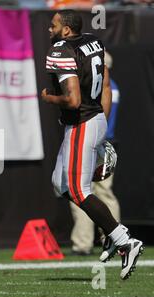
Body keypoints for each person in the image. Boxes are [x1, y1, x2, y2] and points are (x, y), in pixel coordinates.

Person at [41, 9, 143, 280]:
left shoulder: (61, 50)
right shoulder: (92, 41)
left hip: (82, 122)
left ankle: (124, 240)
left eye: (53, 26)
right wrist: (101, 124)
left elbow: (73, 101)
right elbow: (106, 86)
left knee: (77, 189)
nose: (49, 30)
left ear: (65, 30)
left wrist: (50, 99)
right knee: (59, 184)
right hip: (94, 119)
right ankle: (111, 233)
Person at [70, 51, 121, 256]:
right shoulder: (114, 86)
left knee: (79, 191)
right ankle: (114, 238)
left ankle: (82, 243)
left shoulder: (95, 87)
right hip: (108, 142)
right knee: (105, 193)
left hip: (90, 141)